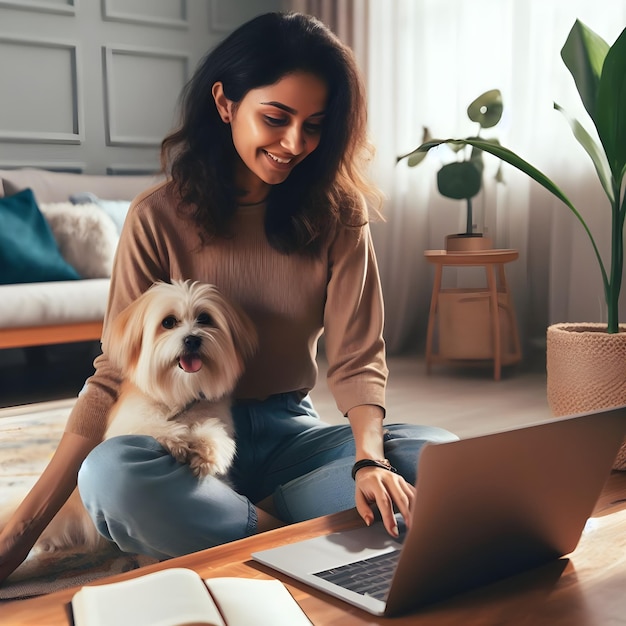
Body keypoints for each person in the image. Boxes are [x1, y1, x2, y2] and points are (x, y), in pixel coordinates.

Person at [0, 11, 457, 578]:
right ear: (225, 103)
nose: (294, 143)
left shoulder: (339, 214)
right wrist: (20, 531)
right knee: (110, 476)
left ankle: (240, 528)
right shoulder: (155, 217)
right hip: (181, 441)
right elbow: (114, 373)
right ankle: (284, 534)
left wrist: (368, 461)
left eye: (314, 125)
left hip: (292, 437)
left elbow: (358, 358)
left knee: (440, 457)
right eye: (276, 117)